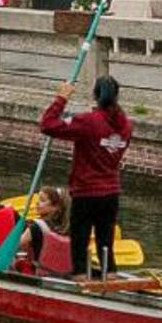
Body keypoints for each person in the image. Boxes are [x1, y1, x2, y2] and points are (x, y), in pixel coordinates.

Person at [40, 76, 131, 278]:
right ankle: (111, 277)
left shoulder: (88, 121)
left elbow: (47, 124)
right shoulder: (126, 125)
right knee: (105, 242)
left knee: (80, 242)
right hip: (111, 192)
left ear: (96, 96)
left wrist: (61, 98)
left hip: (86, 191)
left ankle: (81, 281)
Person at [25, 187, 75, 277]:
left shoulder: (36, 226)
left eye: (42, 200)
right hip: (65, 276)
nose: (37, 203)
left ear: (56, 207)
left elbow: (14, 247)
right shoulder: (72, 229)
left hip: (39, 275)